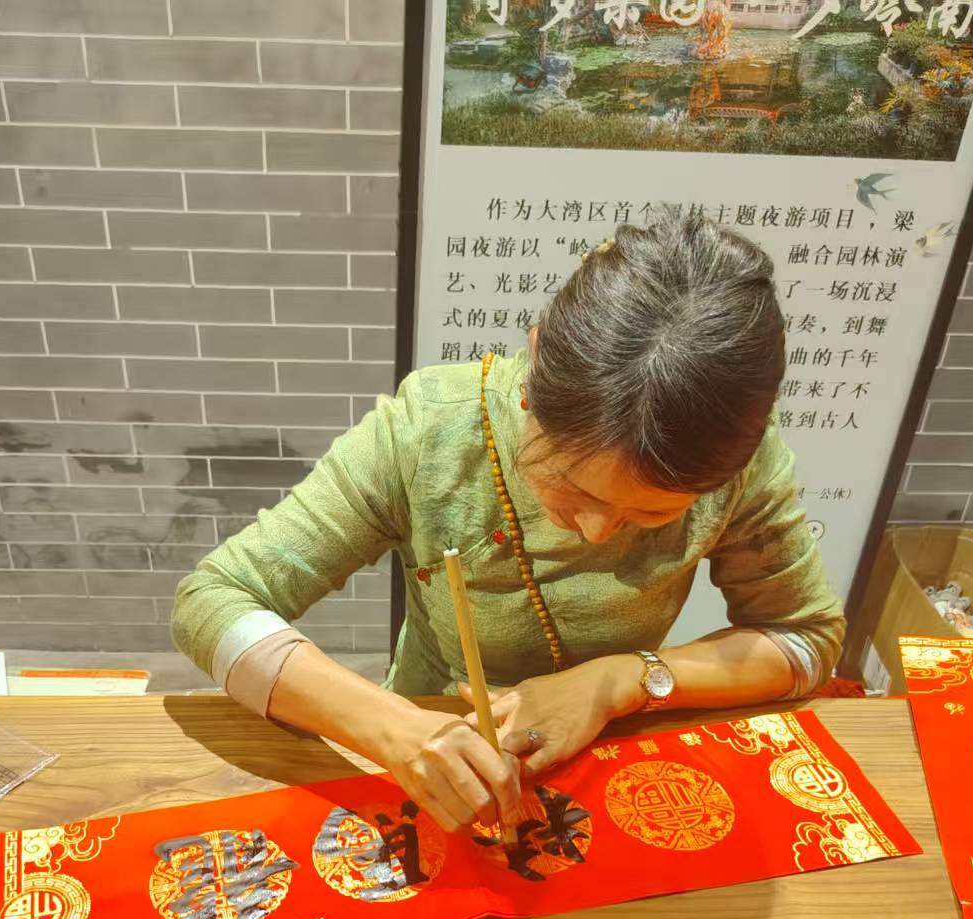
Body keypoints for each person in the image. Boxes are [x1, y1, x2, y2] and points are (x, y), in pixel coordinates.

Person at [172, 208, 844, 836]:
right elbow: (211, 601)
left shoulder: (739, 465)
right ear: (537, 360)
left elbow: (806, 639)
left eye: (652, 512)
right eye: (569, 483)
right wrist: (397, 731)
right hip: (438, 752)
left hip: (613, 768)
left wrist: (619, 681)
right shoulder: (431, 432)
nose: (597, 531)